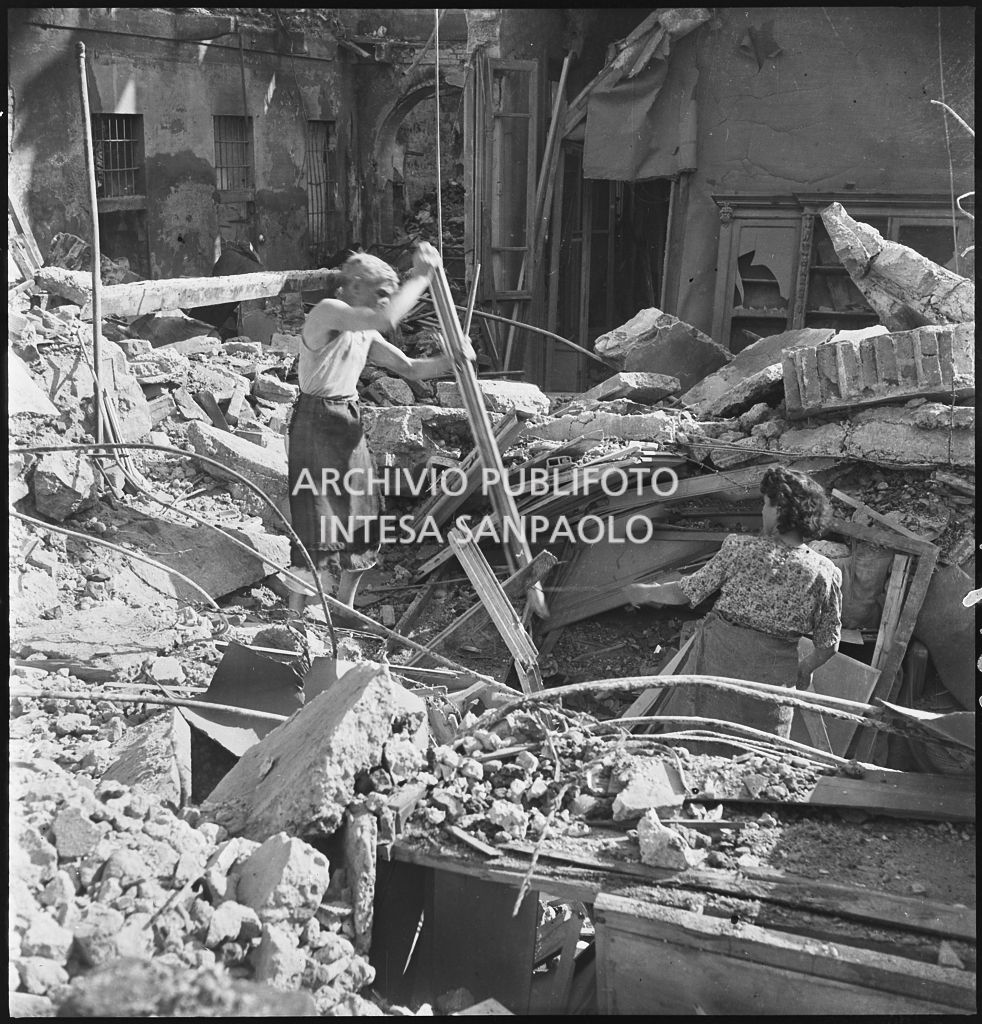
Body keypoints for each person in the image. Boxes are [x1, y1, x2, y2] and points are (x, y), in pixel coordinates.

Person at [284, 242, 474, 611]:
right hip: (315, 421)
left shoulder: (363, 331)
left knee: (363, 515)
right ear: (355, 286)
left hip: (347, 420)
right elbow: (385, 319)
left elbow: (411, 369)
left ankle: (345, 607)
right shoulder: (328, 312)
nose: (387, 302)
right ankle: (297, 614)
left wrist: (454, 359)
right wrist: (421, 276)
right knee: (317, 518)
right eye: (381, 294)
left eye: (390, 296)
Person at [624, 465, 842, 740]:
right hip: (772, 686)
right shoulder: (825, 571)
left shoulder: (740, 549)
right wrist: (805, 669)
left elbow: (687, 592)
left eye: (765, 504)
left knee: (698, 743)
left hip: (719, 670)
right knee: (757, 754)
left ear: (780, 510)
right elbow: (828, 645)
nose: (762, 512)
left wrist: (647, 592)